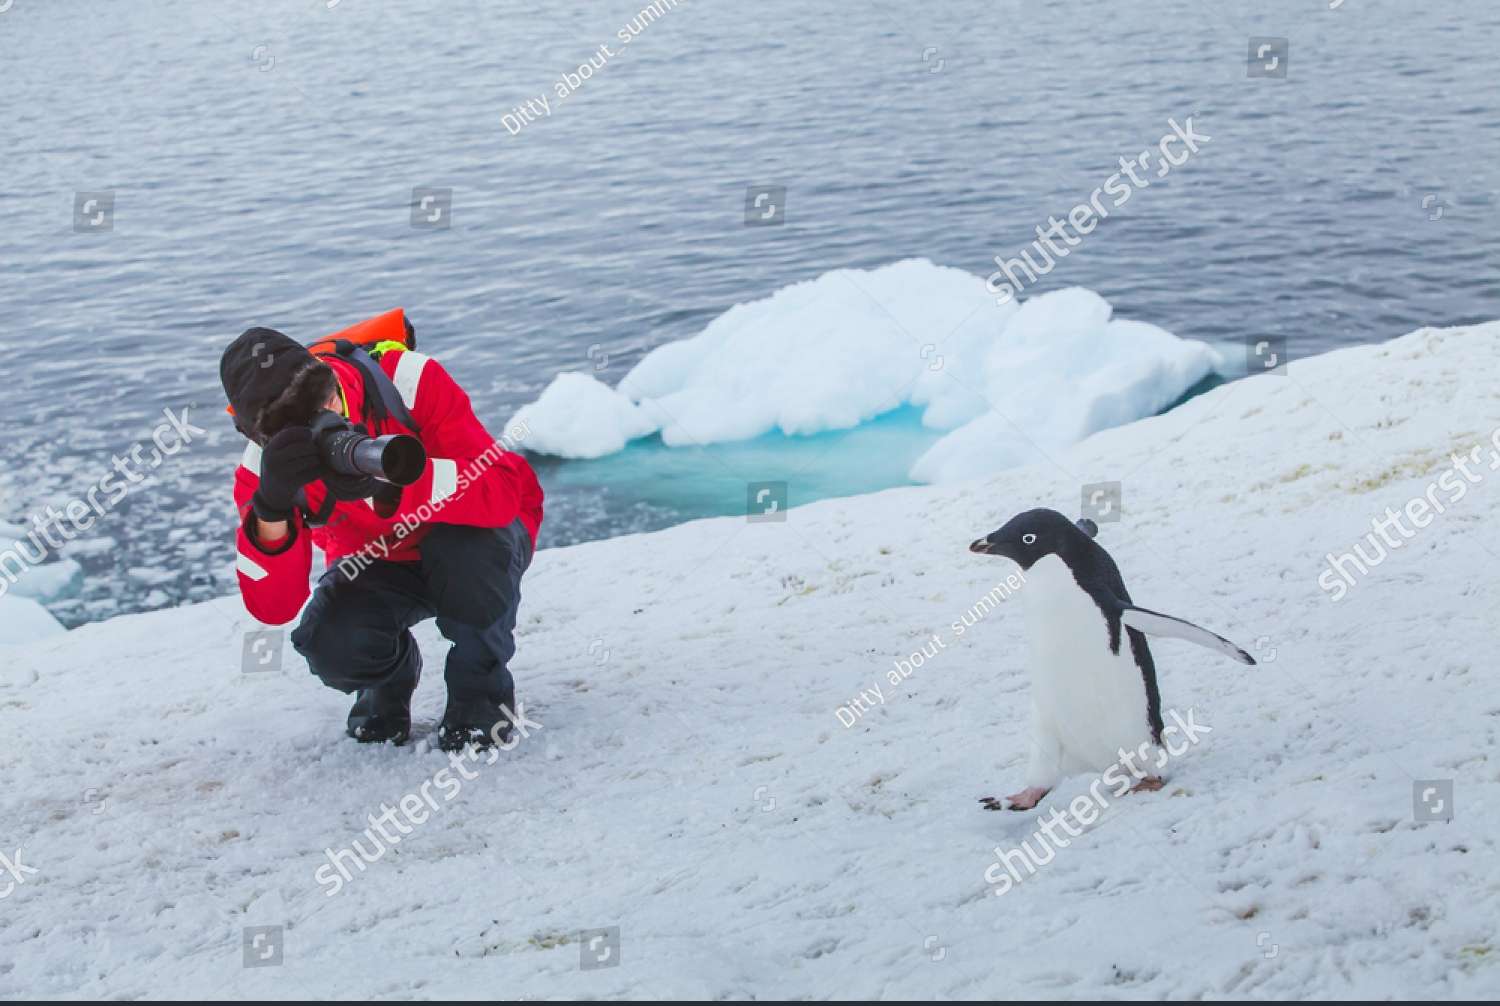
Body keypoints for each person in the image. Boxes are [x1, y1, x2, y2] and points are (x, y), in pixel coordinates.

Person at [218, 317, 543, 750]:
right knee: (331, 643)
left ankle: (480, 696)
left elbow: (499, 492)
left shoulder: (407, 381)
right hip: (378, 560)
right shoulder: (264, 469)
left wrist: (394, 485)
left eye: (328, 400)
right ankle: (390, 679)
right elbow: (274, 608)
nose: (330, 419)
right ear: (261, 437)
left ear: (330, 376)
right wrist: (272, 508)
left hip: (477, 538)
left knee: (469, 558)